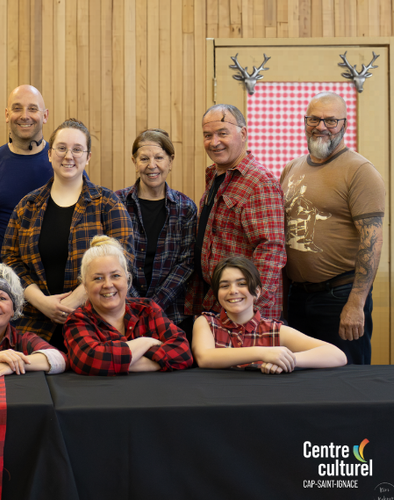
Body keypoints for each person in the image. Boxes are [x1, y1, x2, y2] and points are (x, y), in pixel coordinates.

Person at [2, 118, 133, 351]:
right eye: (61, 148)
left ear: (88, 157)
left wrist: (74, 300)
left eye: (77, 149)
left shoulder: (108, 203)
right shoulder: (27, 206)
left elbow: (124, 259)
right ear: (50, 154)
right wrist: (42, 302)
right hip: (35, 325)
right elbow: (10, 261)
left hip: (96, 324)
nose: (68, 156)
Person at [280, 92, 385, 364]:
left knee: (346, 379)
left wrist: (356, 303)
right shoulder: (292, 168)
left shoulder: (360, 171)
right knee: (299, 378)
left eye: (331, 120)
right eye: (313, 118)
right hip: (297, 297)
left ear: (345, 124)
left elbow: (371, 240)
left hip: (339, 297)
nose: (321, 126)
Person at [187, 104, 286, 319]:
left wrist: (251, 308)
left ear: (243, 134)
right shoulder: (215, 175)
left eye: (223, 133)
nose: (214, 142)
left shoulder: (260, 182)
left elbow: (271, 251)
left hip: (244, 312)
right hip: (217, 304)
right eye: (207, 135)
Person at [192, 256, 346, 373]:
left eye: (242, 284)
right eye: (224, 286)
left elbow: (337, 355)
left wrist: (285, 359)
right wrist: (264, 352)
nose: (233, 291)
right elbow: (205, 358)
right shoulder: (206, 322)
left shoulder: (274, 329)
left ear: (257, 292)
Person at [63, 236, 192, 376]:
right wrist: (145, 343)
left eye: (115, 276)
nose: (108, 284)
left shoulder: (148, 309)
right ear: (85, 286)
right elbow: (89, 361)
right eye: (98, 278)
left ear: (127, 279)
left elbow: (183, 352)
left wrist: (114, 361)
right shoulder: (77, 321)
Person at [115, 129, 196, 333]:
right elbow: (113, 260)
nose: (152, 165)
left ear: (170, 160)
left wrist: (155, 305)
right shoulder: (116, 203)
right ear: (134, 161)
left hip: (172, 315)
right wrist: (136, 304)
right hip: (123, 312)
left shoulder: (185, 207)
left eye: (159, 157)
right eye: (144, 158)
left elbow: (186, 264)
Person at [0, 85, 53, 263]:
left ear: (45, 116)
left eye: (32, 109)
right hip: (0, 284)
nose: (25, 115)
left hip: (52, 284)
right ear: (7, 115)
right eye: (17, 108)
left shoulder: (64, 165)